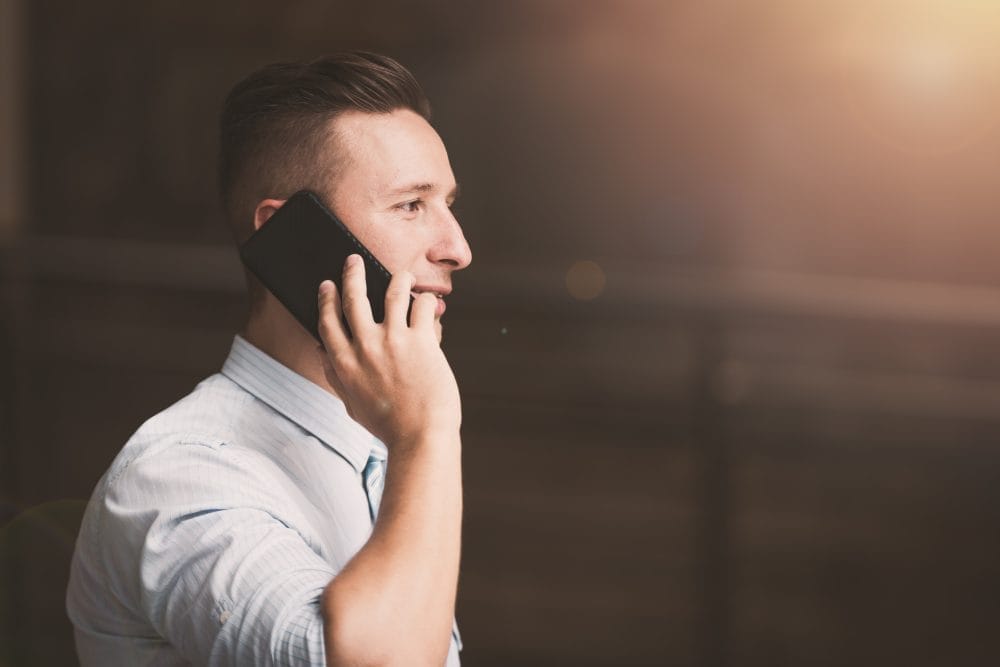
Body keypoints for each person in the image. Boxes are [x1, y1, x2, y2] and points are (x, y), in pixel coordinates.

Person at [66, 52, 472, 666]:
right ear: (291, 236)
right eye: (411, 205)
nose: (457, 248)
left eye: (448, 204)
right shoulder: (178, 479)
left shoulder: (381, 447)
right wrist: (428, 431)